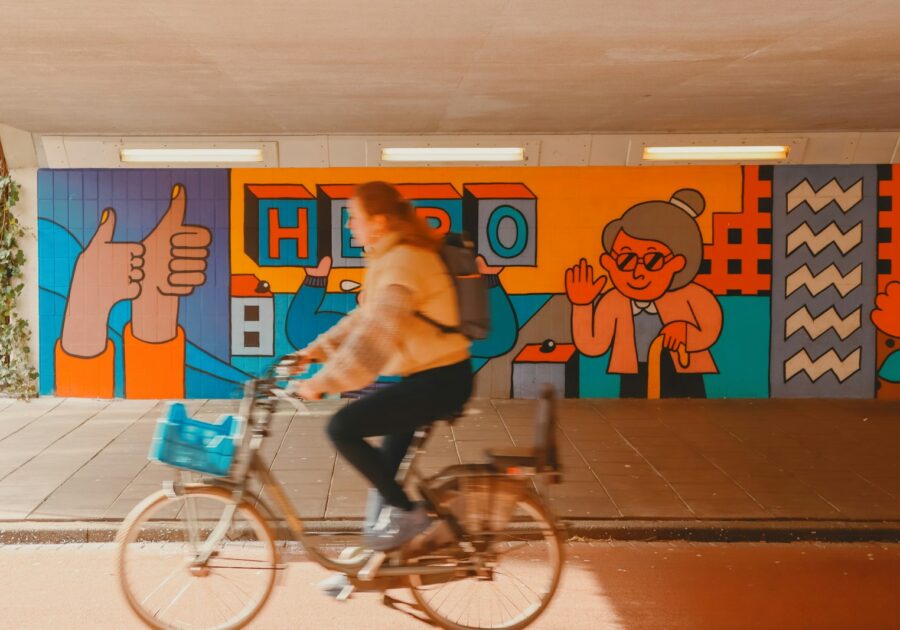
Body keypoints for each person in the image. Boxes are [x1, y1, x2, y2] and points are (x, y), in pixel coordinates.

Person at [285, 181, 473, 551]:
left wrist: (323, 381)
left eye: (355, 217)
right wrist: (312, 354)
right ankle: (376, 556)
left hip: (440, 381)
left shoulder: (404, 261)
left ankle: (414, 520)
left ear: (380, 221)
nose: (349, 225)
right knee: (383, 472)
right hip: (429, 378)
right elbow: (363, 317)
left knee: (342, 428)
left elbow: (375, 337)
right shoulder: (391, 258)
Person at [566, 189, 722, 397]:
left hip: (683, 371)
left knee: (689, 415)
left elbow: (711, 329)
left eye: (653, 261)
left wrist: (684, 331)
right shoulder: (612, 301)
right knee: (633, 419)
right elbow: (594, 346)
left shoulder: (692, 295)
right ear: (609, 263)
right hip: (633, 371)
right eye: (625, 260)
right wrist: (582, 305)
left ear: (678, 263)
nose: (637, 272)